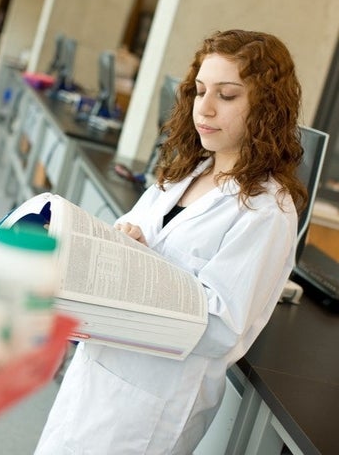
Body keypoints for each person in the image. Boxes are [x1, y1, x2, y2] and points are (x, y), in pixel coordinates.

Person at [34, 29, 307, 454]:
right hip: (97, 376)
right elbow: (126, 234)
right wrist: (117, 243)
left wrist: (139, 267)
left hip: (151, 407)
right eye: (200, 91)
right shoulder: (185, 174)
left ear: (266, 107)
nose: (207, 107)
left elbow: (221, 328)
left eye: (228, 95)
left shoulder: (267, 211)